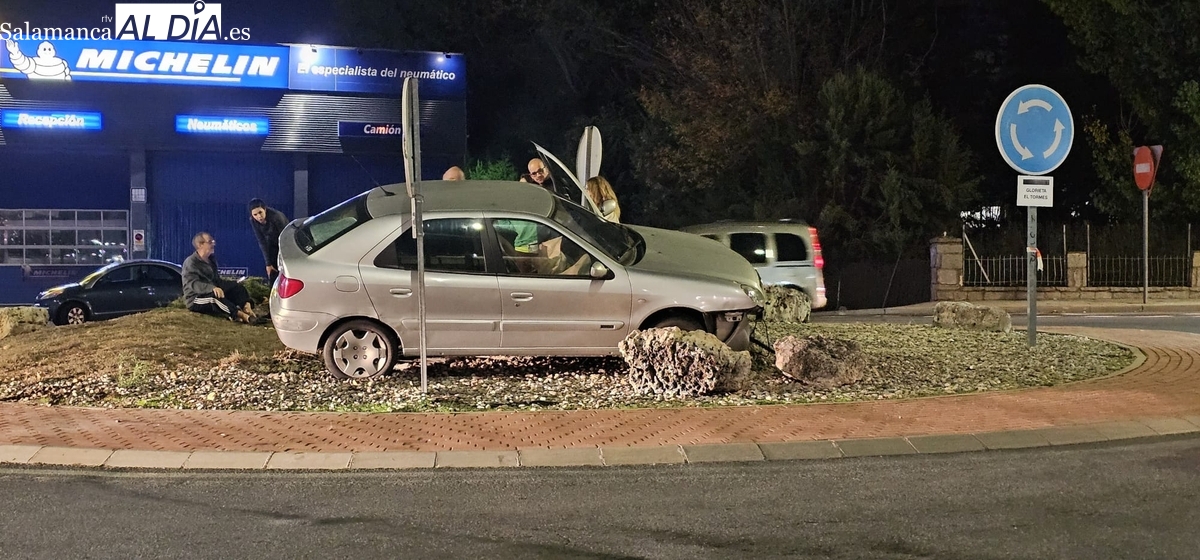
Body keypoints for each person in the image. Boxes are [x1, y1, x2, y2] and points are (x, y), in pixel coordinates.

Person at [183, 232, 256, 323]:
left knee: (238, 288)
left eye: (213, 241)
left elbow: (217, 281)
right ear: (200, 245)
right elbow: (193, 284)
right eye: (210, 242)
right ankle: (241, 315)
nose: (213, 244)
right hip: (196, 298)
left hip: (212, 291)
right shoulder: (191, 262)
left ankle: (247, 309)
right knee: (214, 298)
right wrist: (212, 288)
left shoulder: (211, 260)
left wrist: (234, 284)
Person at [249, 198, 290, 286]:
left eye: (260, 212)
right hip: (272, 244)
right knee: (271, 270)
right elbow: (261, 241)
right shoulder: (253, 221)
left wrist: (284, 256)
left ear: (265, 209)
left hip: (287, 243)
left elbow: (285, 237)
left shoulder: (276, 216)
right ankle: (272, 294)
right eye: (255, 215)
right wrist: (268, 264)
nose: (258, 216)